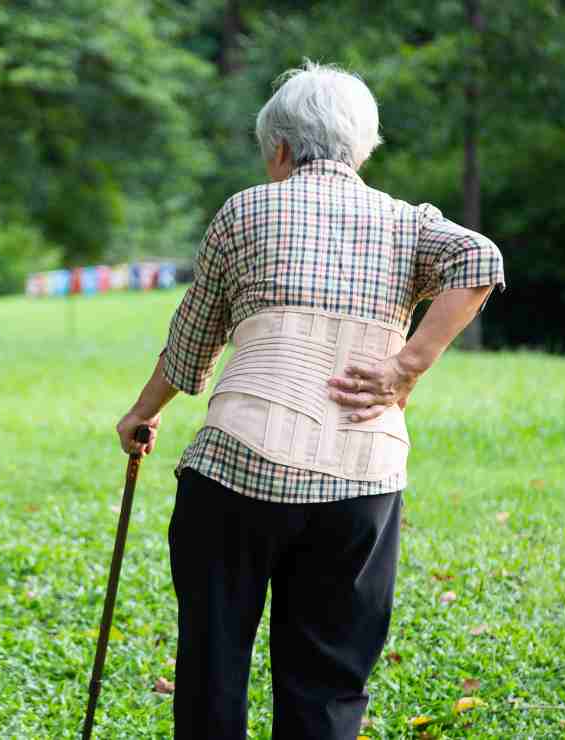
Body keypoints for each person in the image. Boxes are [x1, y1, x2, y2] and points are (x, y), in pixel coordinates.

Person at [115, 60, 507, 740]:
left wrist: (143, 412)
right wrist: (407, 366)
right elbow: (481, 260)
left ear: (281, 150)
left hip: (236, 473)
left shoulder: (246, 210)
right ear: (361, 150)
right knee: (327, 686)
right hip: (361, 480)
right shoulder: (405, 223)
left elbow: (192, 343)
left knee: (213, 668)